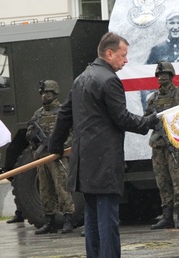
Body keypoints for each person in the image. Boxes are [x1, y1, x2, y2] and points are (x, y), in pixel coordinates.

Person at [48, 32, 159, 258]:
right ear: (109, 54)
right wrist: (149, 121)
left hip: (84, 163)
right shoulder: (109, 80)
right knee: (107, 222)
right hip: (105, 163)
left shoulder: (82, 78)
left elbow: (64, 114)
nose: (126, 60)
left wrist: (55, 145)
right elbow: (123, 118)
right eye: (123, 55)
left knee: (93, 220)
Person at [26, 80, 75, 235]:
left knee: (62, 187)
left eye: (47, 92)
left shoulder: (62, 111)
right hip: (43, 157)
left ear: (54, 93)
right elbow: (30, 133)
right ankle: (49, 220)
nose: (44, 96)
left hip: (58, 157)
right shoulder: (38, 114)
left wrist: (61, 146)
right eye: (42, 93)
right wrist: (32, 136)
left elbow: (72, 133)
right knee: (45, 189)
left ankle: (68, 219)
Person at [146, 61, 179, 230]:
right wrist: (154, 121)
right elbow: (146, 120)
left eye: (165, 75)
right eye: (159, 75)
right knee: (162, 181)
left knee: (178, 180)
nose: (162, 78)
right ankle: (167, 216)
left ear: (171, 76)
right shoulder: (153, 99)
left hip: (174, 145)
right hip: (158, 146)